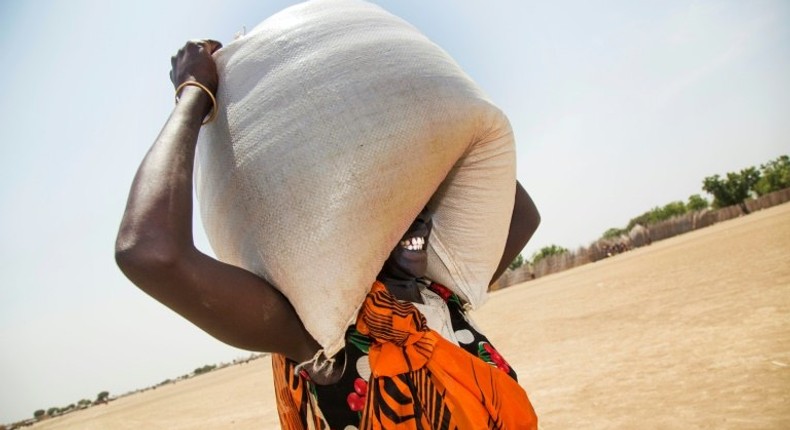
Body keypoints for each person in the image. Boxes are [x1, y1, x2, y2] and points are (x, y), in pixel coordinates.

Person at [115, 40, 540, 429]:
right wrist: (193, 93)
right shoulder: (319, 339)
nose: (420, 217)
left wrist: (429, 98)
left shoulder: (441, 298)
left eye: (419, 194)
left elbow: (518, 208)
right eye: (393, 203)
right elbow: (149, 253)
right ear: (345, 226)